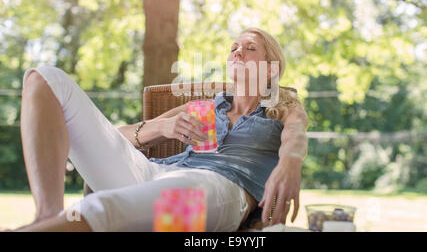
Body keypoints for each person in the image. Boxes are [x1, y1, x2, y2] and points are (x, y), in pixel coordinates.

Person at [11, 27, 309, 232]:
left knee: (105, 209)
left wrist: (290, 163)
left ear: (270, 68)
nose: (237, 52)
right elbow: (115, 136)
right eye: (233, 48)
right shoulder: (207, 106)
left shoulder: (283, 108)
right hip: (151, 174)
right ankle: (46, 216)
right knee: (45, 77)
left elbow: (295, 137)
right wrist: (161, 127)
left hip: (218, 192)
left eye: (250, 48)